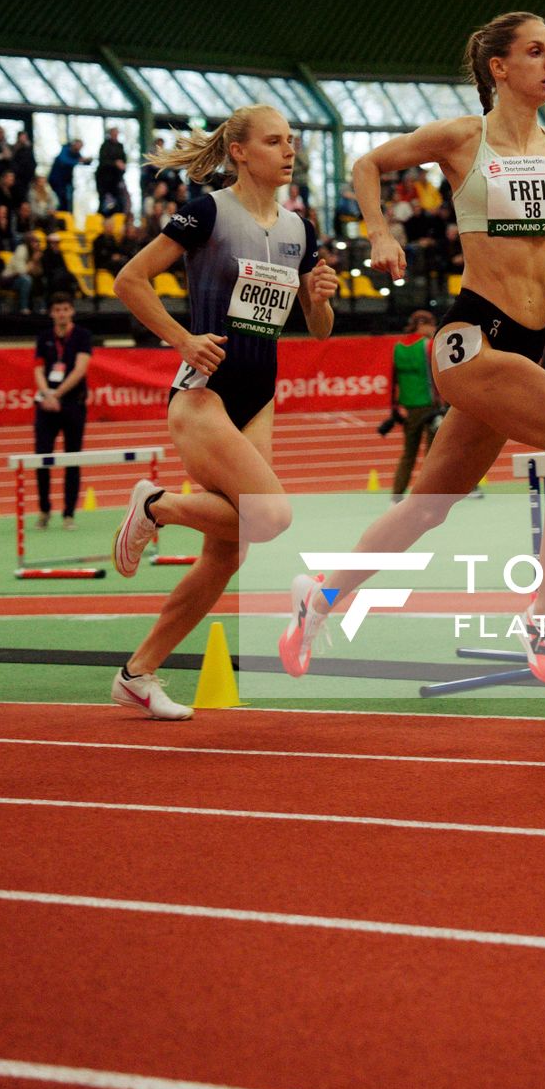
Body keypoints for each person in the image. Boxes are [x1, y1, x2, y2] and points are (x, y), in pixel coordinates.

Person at [280, 11, 545, 688]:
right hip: (472, 339)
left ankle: (318, 597)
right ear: (499, 68)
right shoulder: (463, 138)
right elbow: (367, 163)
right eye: (535, 52)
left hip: (524, 348)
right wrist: (380, 234)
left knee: (427, 505)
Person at [110, 105, 337, 719]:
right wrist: (182, 339)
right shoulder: (208, 210)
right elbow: (130, 280)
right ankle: (155, 504)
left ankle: (138, 672)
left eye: (292, 140)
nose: (288, 150)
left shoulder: (300, 229)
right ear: (239, 151)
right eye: (273, 141)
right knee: (270, 514)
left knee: (227, 554)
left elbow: (315, 332)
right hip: (202, 394)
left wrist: (317, 301)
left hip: (258, 395)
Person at [32, 292, 94, 527]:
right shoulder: (44, 337)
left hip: (72, 403)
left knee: (72, 458)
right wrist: (47, 393)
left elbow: (80, 369)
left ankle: (69, 514)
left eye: (65, 309)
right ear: (51, 313)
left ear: (72, 311)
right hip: (46, 405)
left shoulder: (82, 336)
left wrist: (57, 394)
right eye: (57, 310)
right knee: (42, 458)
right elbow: (38, 368)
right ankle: (44, 511)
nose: (61, 314)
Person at [388, 308, 441, 500]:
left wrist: (394, 406)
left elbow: (393, 379)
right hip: (429, 406)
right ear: (423, 324)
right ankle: (428, 494)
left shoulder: (398, 347)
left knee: (408, 454)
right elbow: (436, 377)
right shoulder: (428, 345)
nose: (434, 328)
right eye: (432, 324)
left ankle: (396, 496)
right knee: (433, 453)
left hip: (409, 407)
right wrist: (441, 402)